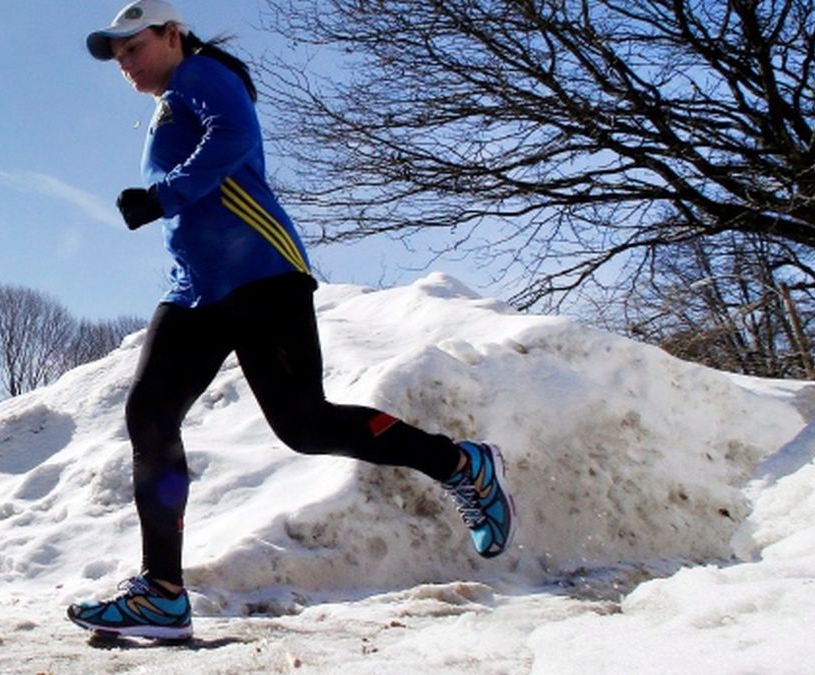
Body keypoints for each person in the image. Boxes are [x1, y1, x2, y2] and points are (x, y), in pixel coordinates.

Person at [67, 0, 515, 641]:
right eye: (117, 55)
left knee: (305, 424)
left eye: (134, 47)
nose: (125, 63)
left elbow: (235, 136)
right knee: (151, 412)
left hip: (259, 277)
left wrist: (162, 196)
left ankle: (460, 465)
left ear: (172, 35)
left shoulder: (198, 74)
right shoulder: (172, 98)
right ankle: (162, 591)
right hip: (196, 289)